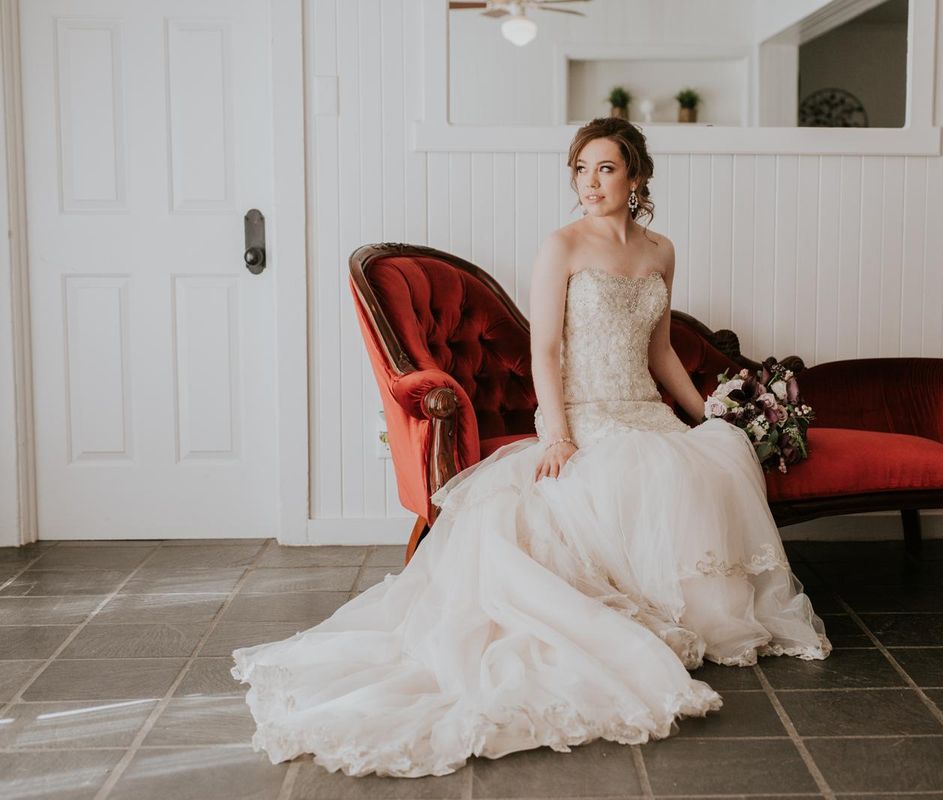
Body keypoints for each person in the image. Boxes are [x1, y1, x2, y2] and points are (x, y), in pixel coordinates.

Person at [231, 117, 831, 779]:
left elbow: (660, 351)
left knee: (703, 461)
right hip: (590, 414)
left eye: (605, 168)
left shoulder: (661, 250)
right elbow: (544, 349)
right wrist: (558, 434)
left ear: (635, 177)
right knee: (636, 476)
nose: (590, 183)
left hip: (646, 409)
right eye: (580, 169)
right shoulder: (562, 246)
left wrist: (711, 415)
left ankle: (686, 604)